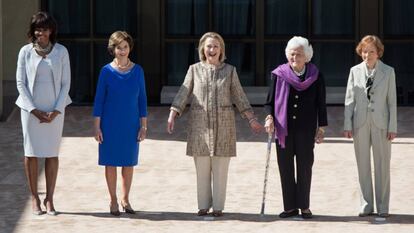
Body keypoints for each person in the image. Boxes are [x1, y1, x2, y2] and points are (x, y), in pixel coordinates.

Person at [167, 32, 262, 217]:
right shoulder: (194, 69)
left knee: (220, 168)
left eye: (216, 46)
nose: (212, 50)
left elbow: (240, 97)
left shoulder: (230, 71)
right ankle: (203, 205)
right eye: (209, 46)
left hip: (224, 128)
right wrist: (173, 113)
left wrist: (251, 119)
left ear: (221, 50)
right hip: (199, 127)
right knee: (202, 167)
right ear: (203, 48)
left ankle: (218, 207)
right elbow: (183, 93)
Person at [264, 36, 327, 219]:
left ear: (306, 56)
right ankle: (290, 207)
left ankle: (304, 206)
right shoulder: (278, 74)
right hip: (283, 129)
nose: (294, 57)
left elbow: (321, 103)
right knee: (285, 167)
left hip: (306, 130)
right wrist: (269, 117)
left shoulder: (315, 75)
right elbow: (269, 102)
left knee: (305, 167)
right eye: (292, 54)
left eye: (298, 54)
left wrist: (321, 128)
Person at [15, 12, 71, 216]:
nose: (42, 33)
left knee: (52, 153)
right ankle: (34, 198)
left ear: (51, 30)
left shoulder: (61, 52)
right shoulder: (25, 52)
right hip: (31, 111)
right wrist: (34, 111)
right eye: (38, 29)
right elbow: (20, 83)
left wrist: (57, 110)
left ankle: (49, 199)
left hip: (55, 111)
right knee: (31, 152)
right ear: (33, 31)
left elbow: (66, 83)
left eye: (45, 29)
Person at [93, 31, 148, 216]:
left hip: (130, 124)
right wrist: (96, 126)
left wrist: (144, 125)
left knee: (128, 162)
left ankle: (126, 199)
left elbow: (142, 100)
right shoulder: (106, 71)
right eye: (119, 47)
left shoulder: (138, 71)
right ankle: (113, 200)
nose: (122, 51)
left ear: (129, 48)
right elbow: (99, 100)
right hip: (109, 124)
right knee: (110, 162)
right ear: (113, 49)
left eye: (125, 47)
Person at [344, 35, 397, 218]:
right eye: (365, 51)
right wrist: (347, 124)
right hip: (360, 124)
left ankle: (383, 206)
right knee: (363, 166)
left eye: (372, 51)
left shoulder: (388, 72)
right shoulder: (354, 71)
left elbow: (392, 102)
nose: (368, 55)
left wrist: (393, 127)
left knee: (382, 165)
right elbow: (349, 100)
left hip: (382, 124)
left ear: (379, 52)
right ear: (361, 52)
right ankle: (366, 205)